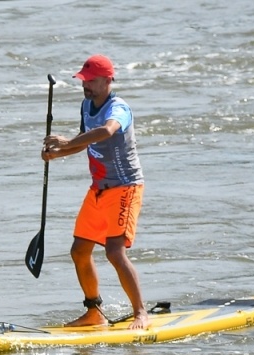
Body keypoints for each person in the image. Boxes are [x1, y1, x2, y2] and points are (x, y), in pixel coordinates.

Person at [41, 54, 150, 331]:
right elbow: (83, 141)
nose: (85, 85)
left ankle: (141, 313)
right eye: (83, 80)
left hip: (125, 187)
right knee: (79, 251)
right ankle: (94, 312)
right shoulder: (86, 105)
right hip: (98, 190)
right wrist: (59, 153)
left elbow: (105, 131)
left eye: (90, 81)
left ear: (107, 80)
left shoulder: (119, 109)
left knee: (114, 252)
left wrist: (66, 142)